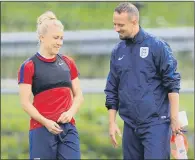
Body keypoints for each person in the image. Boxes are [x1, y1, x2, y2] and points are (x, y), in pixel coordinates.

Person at [104, 2, 182, 159]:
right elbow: (112, 88)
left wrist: (174, 119)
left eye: (121, 25)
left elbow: (172, 84)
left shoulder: (157, 46)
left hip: (156, 124)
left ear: (134, 22)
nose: (116, 29)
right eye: (114, 24)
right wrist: (112, 123)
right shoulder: (118, 51)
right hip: (130, 125)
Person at [18, 11, 84, 159]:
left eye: (61, 38)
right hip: (41, 129)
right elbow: (24, 103)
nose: (59, 42)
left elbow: (79, 95)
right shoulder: (28, 66)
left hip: (67, 129)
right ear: (42, 37)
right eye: (55, 38)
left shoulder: (68, 62)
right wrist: (46, 122)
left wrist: (70, 113)